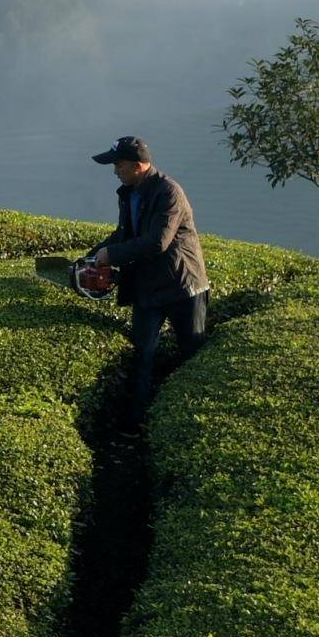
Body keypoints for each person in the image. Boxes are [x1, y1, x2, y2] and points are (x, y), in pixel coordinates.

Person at [81, 133, 211, 423]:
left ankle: (189, 422)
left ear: (138, 165)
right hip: (148, 289)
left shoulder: (168, 192)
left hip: (182, 287)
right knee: (142, 356)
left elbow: (157, 242)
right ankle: (136, 422)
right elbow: (124, 234)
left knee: (192, 355)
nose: (115, 171)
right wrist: (94, 255)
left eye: (119, 165)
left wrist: (111, 255)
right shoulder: (128, 193)